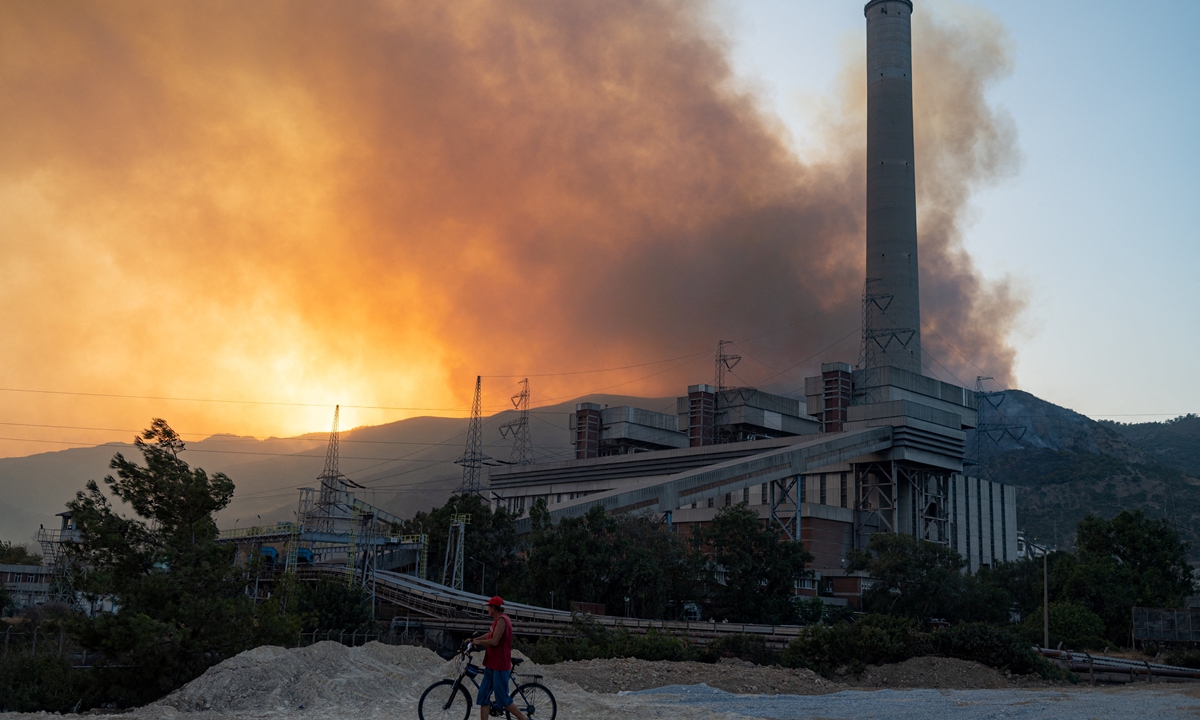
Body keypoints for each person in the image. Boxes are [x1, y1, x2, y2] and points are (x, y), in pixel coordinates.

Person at [470, 596, 528, 720]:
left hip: (500, 664)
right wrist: (474, 640)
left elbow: (494, 641)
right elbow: (490, 634)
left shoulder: (503, 620)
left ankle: (524, 719)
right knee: (483, 695)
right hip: (491, 663)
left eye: (488, 607)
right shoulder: (497, 621)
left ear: (494, 608)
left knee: (502, 697)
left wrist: (479, 643)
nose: (487, 609)